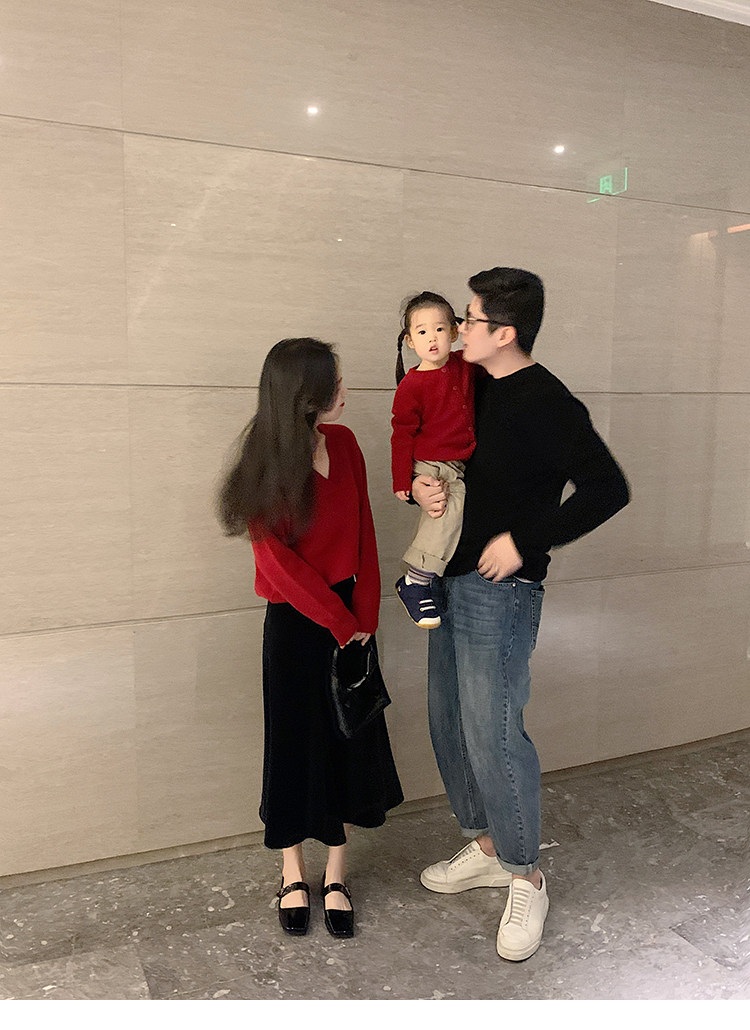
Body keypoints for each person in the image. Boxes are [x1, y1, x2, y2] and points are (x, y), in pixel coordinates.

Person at [412, 268, 630, 962]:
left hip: (501, 591)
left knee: (495, 732)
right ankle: (486, 845)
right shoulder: (468, 383)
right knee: (448, 720)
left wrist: (526, 542)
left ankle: (526, 873)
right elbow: (437, 446)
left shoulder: (550, 402)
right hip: (448, 577)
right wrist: (420, 482)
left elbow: (607, 488)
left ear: (504, 333)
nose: (458, 329)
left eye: (470, 319)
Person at [218, 337, 403, 939]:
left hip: (352, 619)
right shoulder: (263, 462)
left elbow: (365, 533)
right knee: (295, 748)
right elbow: (275, 565)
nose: (344, 390)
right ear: (306, 394)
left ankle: (337, 874)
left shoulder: (344, 444)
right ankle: (293, 871)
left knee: (349, 741)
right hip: (297, 626)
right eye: (335, 382)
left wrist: (365, 618)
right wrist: (341, 623)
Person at [391, 292, 477, 629]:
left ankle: (424, 578)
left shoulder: (463, 364)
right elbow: (401, 434)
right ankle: (416, 580)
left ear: (454, 332)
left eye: (440, 329)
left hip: (456, 461)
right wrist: (402, 481)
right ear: (410, 341)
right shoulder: (412, 385)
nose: (432, 338)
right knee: (446, 510)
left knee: (444, 515)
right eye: (423, 331)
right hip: (431, 460)